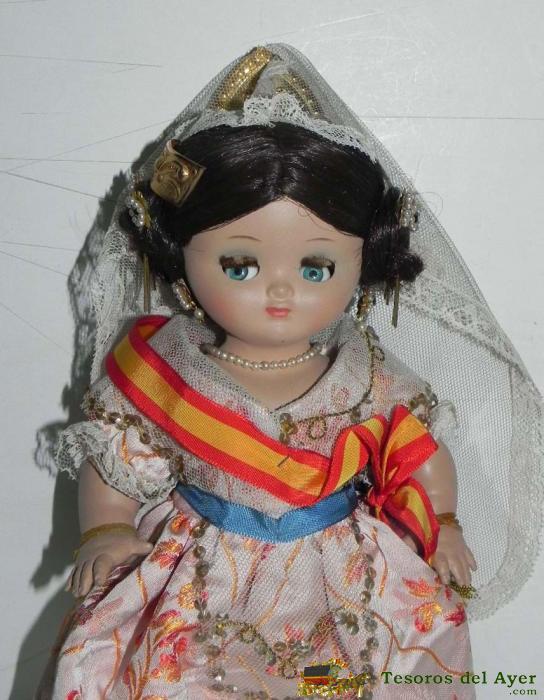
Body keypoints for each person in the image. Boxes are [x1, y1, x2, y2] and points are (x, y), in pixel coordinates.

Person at [36, 45, 542, 700]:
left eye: (315, 268)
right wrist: (106, 529)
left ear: (364, 264)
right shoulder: (170, 375)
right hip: (202, 575)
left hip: (342, 574)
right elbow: (117, 463)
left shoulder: (368, 377)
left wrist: (442, 521)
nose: (280, 291)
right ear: (181, 258)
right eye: (239, 266)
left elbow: (417, 453)